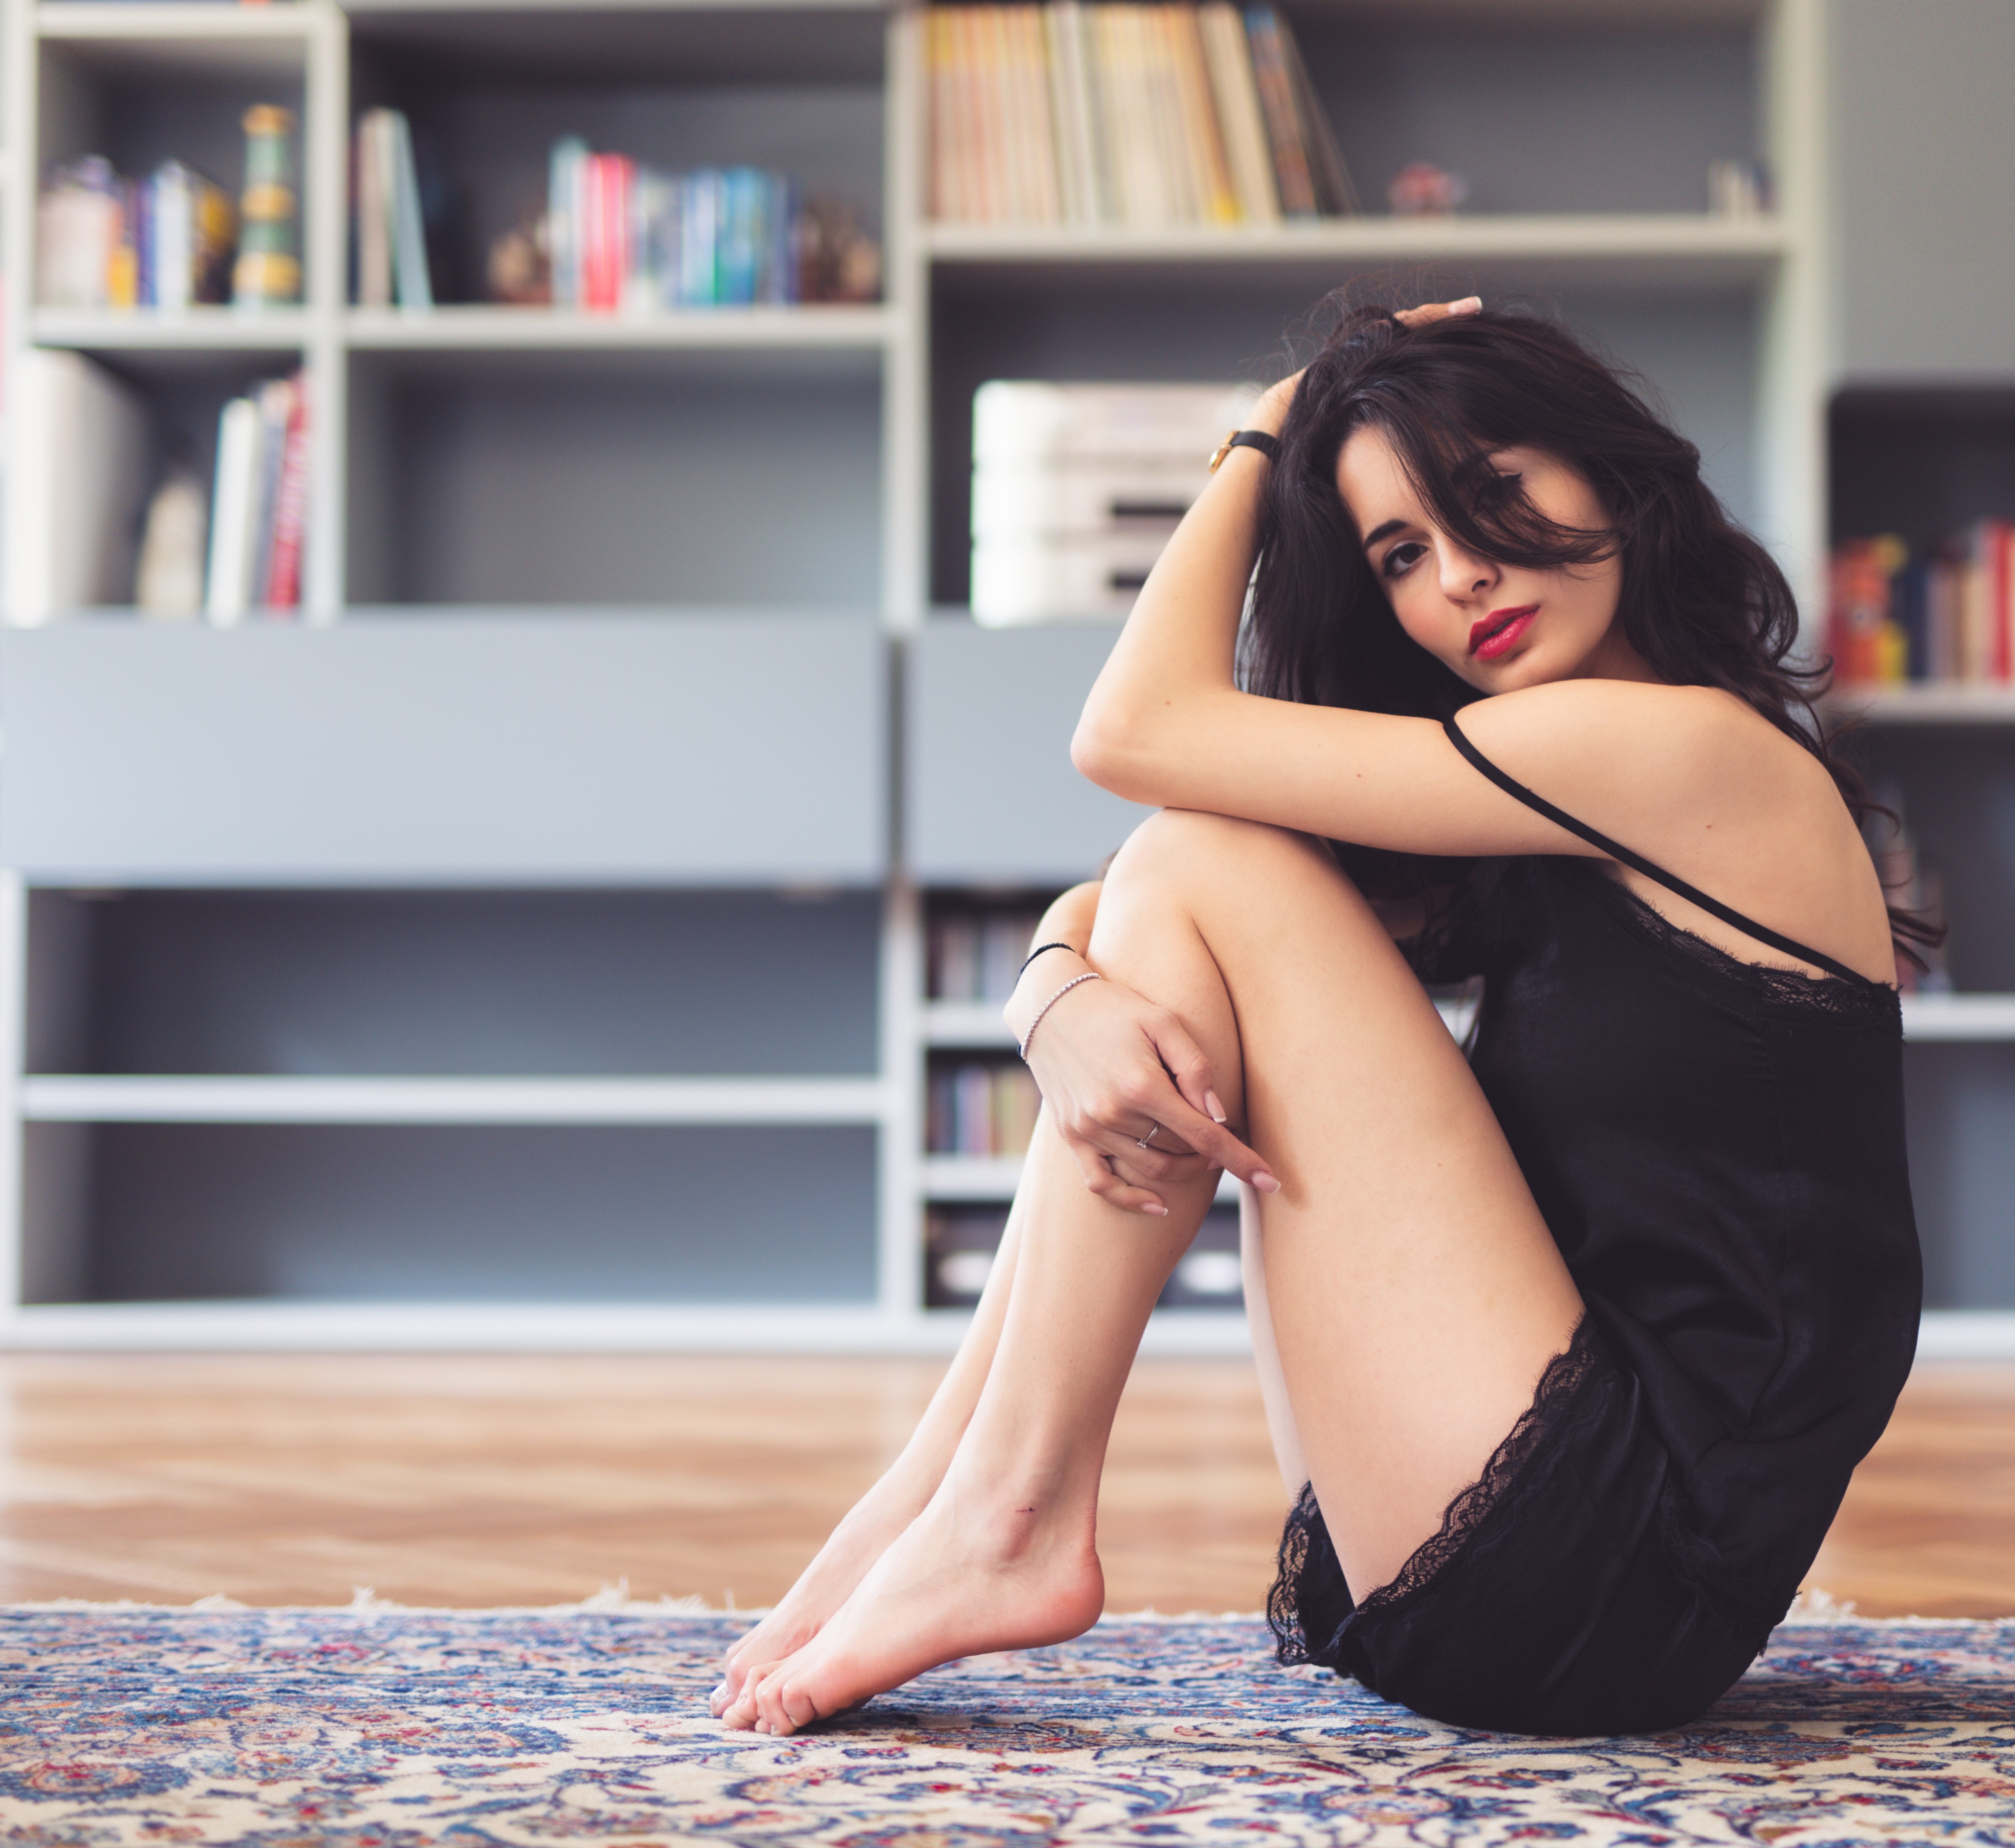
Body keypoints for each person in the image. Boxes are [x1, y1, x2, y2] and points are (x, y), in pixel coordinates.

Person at [713, 294, 1924, 1738]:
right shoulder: (1560, 806)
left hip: (1615, 1564)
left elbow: (1131, 734)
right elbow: (1142, 884)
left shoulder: (1688, 753)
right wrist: (1058, 1000)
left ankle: (1009, 1508)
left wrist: (1266, 430)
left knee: (1205, 851)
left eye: (1493, 495)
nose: (1465, 577)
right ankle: (943, 1492)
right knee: (1187, 870)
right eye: (1401, 554)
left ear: (1612, 469)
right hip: (1533, 1529)